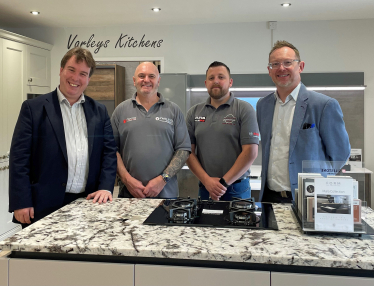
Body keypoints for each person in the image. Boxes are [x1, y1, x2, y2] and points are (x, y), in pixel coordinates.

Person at [9, 47, 117, 226]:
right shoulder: (33, 108)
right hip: (43, 206)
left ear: (89, 79)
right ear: (61, 70)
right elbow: (19, 159)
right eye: (71, 70)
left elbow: (109, 153)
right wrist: (21, 201)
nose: (75, 78)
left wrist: (106, 187)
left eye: (83, 73)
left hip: (89, 203)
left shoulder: (99, 111)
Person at [257, 40, 351, 203]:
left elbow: (340, 155)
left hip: (308, 198)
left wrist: (320, 181)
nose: (281, 68)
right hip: (269, 197)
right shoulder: (263, 105)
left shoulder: (323, 105)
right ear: (269, 70)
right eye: (275, 64)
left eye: (288, 62)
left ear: (300, 66)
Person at [111, 62, 191, 198]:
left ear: (158, 81)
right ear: (134, 80)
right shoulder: (121, 111)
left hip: (166, 195)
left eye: (151, 76)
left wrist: (163, 179)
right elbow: (112, 150)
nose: (146, 80)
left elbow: (183, 149)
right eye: (141, 76)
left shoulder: (173, 110)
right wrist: (127, 180)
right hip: (129, 195)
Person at [186, 61, 259, 201]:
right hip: (206, 187)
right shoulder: (194, 112)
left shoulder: (244, 109)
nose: (216, 81)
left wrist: (222, 183)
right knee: (206, 222)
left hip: (237, 189)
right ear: (206, 83)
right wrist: (207, 181)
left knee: (239, 223)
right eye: (211, 78)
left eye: (221, 77)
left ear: (230, 82)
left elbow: (250, 152)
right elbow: (188, 152)